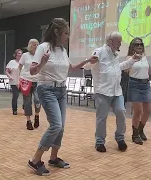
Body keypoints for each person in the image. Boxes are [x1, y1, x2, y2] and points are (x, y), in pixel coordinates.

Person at [27, 18, 98, 176]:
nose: (68, 37)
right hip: (46, 89)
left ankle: (53, 158)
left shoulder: (62, 50)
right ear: (57, 32)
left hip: (61, 90)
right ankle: (35, 159)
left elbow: (70, 69)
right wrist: (42, 63)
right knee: (56, 125)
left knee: (61, 127)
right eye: (66, 33)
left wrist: (87, 60)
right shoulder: (43, 48)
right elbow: (32, 71)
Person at [83, 31, 141, 153]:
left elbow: (118, 67)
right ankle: (99, 142)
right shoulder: (99, 51)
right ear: (110, 42)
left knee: (121, 112)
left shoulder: (115, 54)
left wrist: (132, 60)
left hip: (116, 91)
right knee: (102, 118)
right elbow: (88, 66)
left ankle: (120, 138)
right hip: (102, 91)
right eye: (118, 42)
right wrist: (89, 62)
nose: (120, 44)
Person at [126, 37, 151, 145]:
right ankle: (134, 135)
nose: (139, 46)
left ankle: (140, 130)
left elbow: (149, 72)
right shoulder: (129, 58)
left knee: (148, 110)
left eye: (141, 45)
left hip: (145, 84)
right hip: (135, 84)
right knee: (138, 111)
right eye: (137, 44)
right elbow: (126, 70)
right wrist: (132, 61)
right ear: (132, 46)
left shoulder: (144, 58)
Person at [18, 39, 41, 130]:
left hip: (37, 80)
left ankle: (37, 116)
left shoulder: (39, 56)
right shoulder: (25, 55)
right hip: (26, 80)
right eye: (34, 45)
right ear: (30, 45)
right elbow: (19, 67)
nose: (36, 46)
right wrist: (20, 78)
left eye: (37, 45)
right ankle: (28, 121)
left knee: (37, 100)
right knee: (27, 102)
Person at [6, 49, 23, 115]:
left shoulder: (23, 62)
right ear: (15, 55)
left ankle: (25, 107)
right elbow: (7, 71)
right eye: (18, 53)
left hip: (22, 81)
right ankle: (14, 109)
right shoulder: (12, 62)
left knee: (26, 95)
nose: (20, 54)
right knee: (16, 95)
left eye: (21, 53)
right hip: (14, 81)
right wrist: (10, 76)